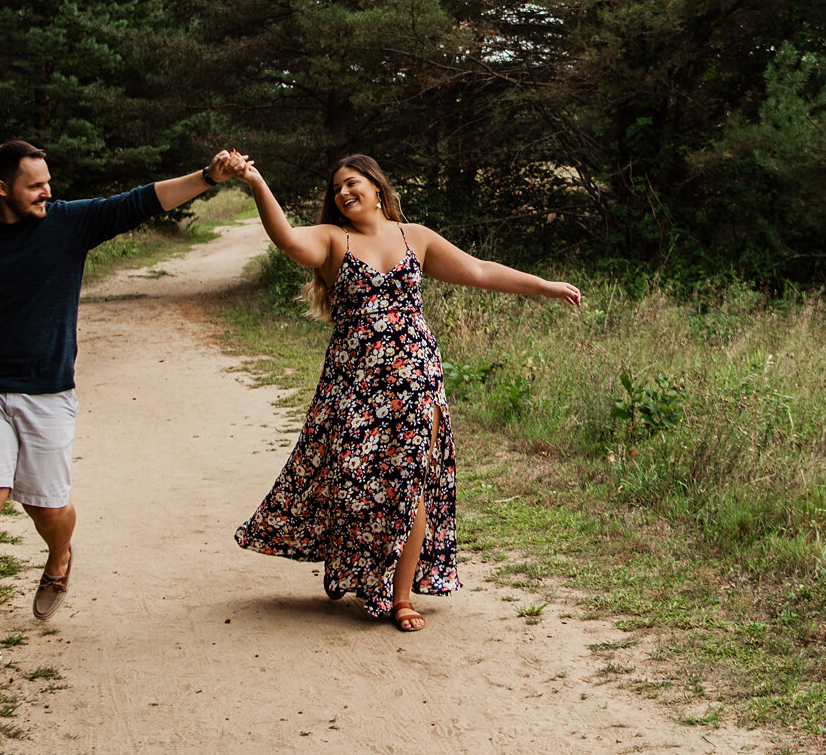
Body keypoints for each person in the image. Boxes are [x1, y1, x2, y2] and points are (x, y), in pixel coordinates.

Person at [0, 139, 249, 664]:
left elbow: (141, 201)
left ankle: (59, 554)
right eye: (35, 185)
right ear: (2, 188)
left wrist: (208, 178)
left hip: (46, 390)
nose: (47, 192)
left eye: (48, 182)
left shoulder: (68, 223)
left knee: (46, 506)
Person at [233, 154, 580, 631]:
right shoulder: (334, 239)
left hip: (416, 380)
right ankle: (357, 570)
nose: (342, 193)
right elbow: (288, 239)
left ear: (377, 186)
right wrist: (255, 180)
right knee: (352, 481)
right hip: (353, 382)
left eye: (351, 183)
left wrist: (543, 286)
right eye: (335, 189)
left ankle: (400, 598)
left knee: (408, 484)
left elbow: (478, 271)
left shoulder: (414, 236)